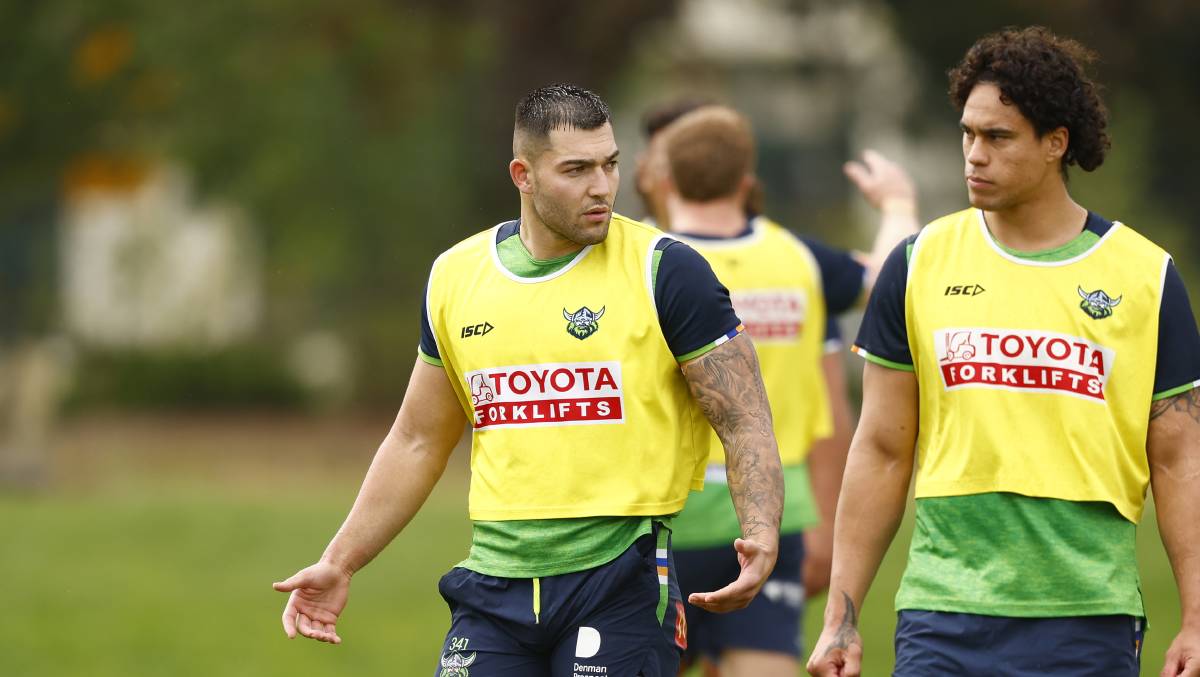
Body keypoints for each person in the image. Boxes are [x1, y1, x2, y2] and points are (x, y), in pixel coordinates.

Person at [273, 84, 786, 677]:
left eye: (611, 164)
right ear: (524, 174)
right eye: (576, 169)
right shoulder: (456, 277)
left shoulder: (667, 271)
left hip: (622, 578)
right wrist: (340, 562)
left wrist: (760, 533)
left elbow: (744, 415)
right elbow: (417, 440)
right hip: (493, 585)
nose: (602, 186)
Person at [807, 26, 1200, 677]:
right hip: (943, 615)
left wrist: (1195, 617)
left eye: (997, 137)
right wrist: (840, 619)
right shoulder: (918, 263)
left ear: (1055, 143)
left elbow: (1180, 459)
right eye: (967, 133)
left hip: (1088, 616)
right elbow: (881, 447)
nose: (973, 154)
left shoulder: (1146, 276)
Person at [650, 105, 917, 676]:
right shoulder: (799, 258)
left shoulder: (643, 263)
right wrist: (897, 205)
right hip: (771, 516)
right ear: (747, 180)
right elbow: (891, 276)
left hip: (661, 515)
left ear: (664, 178)